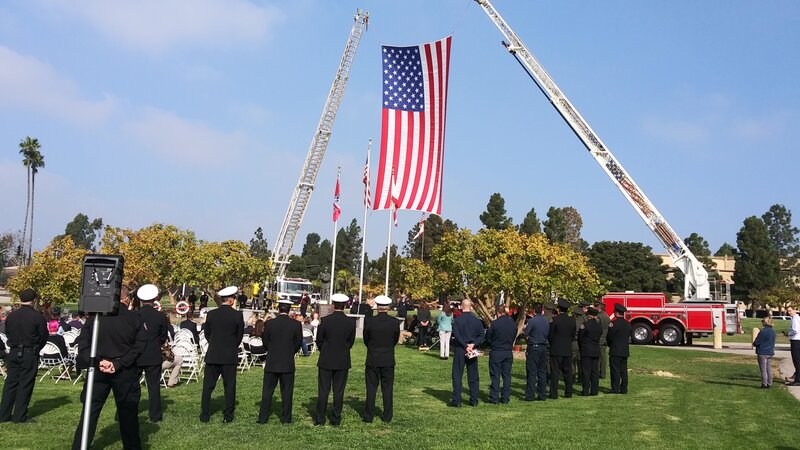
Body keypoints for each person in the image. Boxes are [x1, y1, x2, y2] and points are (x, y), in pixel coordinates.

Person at [70, 286, 146, 449]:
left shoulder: (95, 318)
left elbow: (83, 344)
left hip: (99, 368)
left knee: (89, 413)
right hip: (124, 370)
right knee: (128, 415)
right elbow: (139, 347)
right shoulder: (134, 318)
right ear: (126, 299)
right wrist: (118, 363)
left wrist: (97, 361)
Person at [0, 288, 48, 423]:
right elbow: (43, 337)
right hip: (29, 352)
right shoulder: (37, 317)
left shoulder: (12, 316)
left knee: (10, 383)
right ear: (34, 300)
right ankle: (19, 416)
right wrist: (35, 348)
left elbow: (8, 332)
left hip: (14, 352)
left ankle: (3, 415)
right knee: (25, 384)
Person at [200, 286, 245, 423]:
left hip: (213, 354)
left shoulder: (211, 314)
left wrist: (214, 344)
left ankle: (205, 414)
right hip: (229, 356)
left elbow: (207, 333)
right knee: (229, 386)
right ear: (231, 300)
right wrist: (231, 346)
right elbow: (239, 336)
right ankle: (228, 415)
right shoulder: (237, 315)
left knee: (208, 387)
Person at [258, 299, 302, 424]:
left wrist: (271, 351)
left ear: (278, 309)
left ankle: (263, 417)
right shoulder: (295, 324)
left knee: (267, 391)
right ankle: (286, 418)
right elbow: (298, 343)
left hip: (272, 361)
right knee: (287, 391)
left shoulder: (270, 324)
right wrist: (289, 352)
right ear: (289, 310)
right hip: (287, 362)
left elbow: (265, 341)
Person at [314, 293, 356, 426]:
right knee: (339, 391)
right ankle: (336, 418)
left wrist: (325, 350)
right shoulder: (350, 322)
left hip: (326, 359)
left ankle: (320, 418)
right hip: (342, 360)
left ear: (333, 305)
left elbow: (319, 340)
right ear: (345, 306)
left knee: (323, 390)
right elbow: (351, 342)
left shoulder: (325, 320)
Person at [362, 295, 401, 423]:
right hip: (388, 359)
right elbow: (394, 340)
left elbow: (366, 339)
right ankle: (387, 415)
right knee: (387, 388)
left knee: (371, 388)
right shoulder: (394, 322)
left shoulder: (369, 321)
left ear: (377, 307)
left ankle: (368, 415)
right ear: (388, 307)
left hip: (373, 358)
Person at [135, 284, 170, 423]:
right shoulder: (160, 316)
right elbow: (163, 337)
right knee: (154, 387)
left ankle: (126, 411)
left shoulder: (134, 315)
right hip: (153, 355)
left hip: (136, 355)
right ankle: (155, 415)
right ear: (155, 298)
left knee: (132, 386)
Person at [450, 299, 485, 407]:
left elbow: (457, 335)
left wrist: (465, 346)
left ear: (461, 307)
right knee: (473, 375)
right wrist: (473, 344)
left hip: (461, 348)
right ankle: (474, 400)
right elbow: (482, 335)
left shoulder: (457, 320)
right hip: (472, 349)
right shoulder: (477, 321)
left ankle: (456, 400)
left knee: (457, 374)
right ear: (471, 307)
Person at [486, 304, 516, 404]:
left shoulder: (494, 324)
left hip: (497, 351)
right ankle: (505, 397)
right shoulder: (512, 323)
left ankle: (494, 397)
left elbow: (489, 338)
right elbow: (514, 335)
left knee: (495, 375)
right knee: (507, 376)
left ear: (497, 313)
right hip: (508, 351)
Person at [549, 299, 576, 399]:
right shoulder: (571, 320)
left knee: (555, 373)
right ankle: (568, 392)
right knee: (568, 373)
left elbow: (550, 335)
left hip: (556, 349)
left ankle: (554, 394)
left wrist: (553, 343)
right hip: (567, 349)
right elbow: (573, 335)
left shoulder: (555, 320)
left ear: (559, 309)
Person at [524, 302, 550, 401]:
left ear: (534, 311)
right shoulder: (546, 321)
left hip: (534, 347)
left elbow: (526, 333)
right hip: (543, 347)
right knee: (542, 372)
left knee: (532, 371)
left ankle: (530, 395)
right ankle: (542, 394)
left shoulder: (532, 321)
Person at [606, 304, 632, 394]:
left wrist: (610, 345)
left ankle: (615, 388)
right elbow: (629, 335)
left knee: (615, 371)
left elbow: (609, 337)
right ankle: (624, 388)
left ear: (616, 313)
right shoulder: (628, 324)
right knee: (623, 371)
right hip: (624, 350)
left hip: (615, 350)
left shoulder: (613, 324)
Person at [578, 306, 602, 396]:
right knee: (594, 371)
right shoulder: (599, 326)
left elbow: (580, 338)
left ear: (589, 315)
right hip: (596, 350)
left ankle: (585, 391)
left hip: (586, 350)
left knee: (586, 371)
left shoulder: (585, 325)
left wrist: (582, 348)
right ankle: (594, 390)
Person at [753, 317, 776, 389]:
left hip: (762, 352)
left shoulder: (763, 331)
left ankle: (764, 384)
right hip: (770, 351)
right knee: (769, 369)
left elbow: (757, 342)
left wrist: (755, 343)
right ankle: (770, 383)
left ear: (765, 322)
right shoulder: (773, 331)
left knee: (763, 369)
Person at [572, 301, 589, 382]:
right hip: (582, 342)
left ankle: (572, 376)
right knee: (580, 360)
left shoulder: (572, 320)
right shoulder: (584, 319)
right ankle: (581, 377)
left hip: (574, 342)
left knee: (572, 361)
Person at [595, 300, 610, 379]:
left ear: (599, 308)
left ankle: (597, 372)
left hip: (599, 339)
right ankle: (603, 373)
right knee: (603, 357)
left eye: (596, 307)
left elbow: (596, 327)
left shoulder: (599, 317)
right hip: (604, 339)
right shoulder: (606, 316)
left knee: (598, 357)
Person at [785, 306, 800, 386]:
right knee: (798, 360)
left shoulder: (795, 319)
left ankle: (798, 380)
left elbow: (795, 331)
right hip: (797, 340)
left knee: (796, 361)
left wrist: (788, 333)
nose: (789, 312)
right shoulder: (797, 318)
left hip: (796, 341)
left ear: (795, 310)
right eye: (788, 311)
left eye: (790, 311)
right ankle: (797, 377)